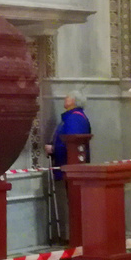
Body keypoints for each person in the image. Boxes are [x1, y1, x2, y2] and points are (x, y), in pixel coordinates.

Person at [45, 95, 91, 238]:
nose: (65, 98)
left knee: (72, 201)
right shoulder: (71, 117)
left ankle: (75, 236)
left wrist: (53, 149)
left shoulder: (74, 118)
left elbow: (70, 143)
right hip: (67, 166)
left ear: (74, 101)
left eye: (68, 97)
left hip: (69, 166)